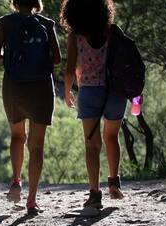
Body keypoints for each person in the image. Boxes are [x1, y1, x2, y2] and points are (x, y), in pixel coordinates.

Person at [0, 0, 61, 215]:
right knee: (36, 146)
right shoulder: (47, 24)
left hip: (14, 86)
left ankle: (16, 180)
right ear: (36, 2)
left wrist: (11, 55)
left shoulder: (5, 22)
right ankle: (32, 200)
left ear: (15, 2)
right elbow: (57, 60)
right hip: (41, 88)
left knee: (17, 136)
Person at [60, 0, 126, 210]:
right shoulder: (112, 31)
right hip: (115, 92)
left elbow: (70, 68)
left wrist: (68, 90)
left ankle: (94, 193)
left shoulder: (76, 35)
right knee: (112, 137)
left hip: (89, 92)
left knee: (92, 145)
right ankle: (114, 181)